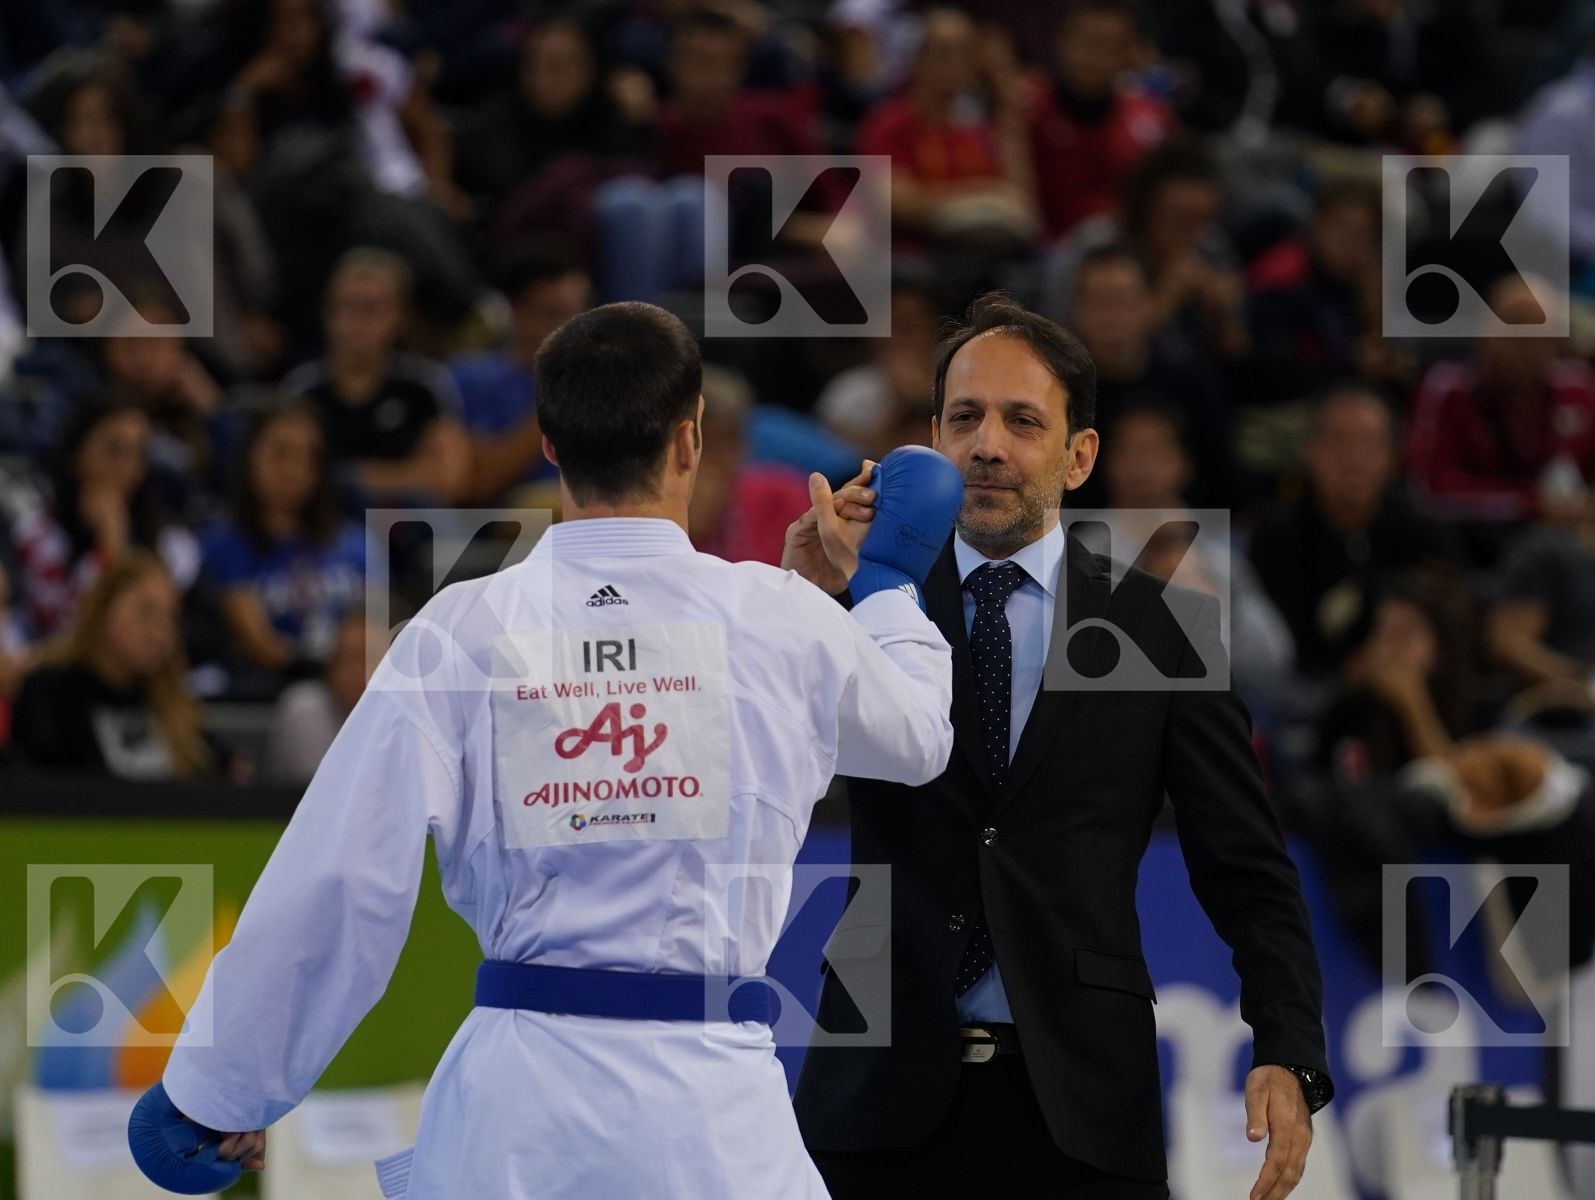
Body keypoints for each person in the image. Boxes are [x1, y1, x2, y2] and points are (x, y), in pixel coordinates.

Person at [134, 301, 960, 1199]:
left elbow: (341, 876)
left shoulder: (458, 630)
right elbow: (916, 741)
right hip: (713, 1124)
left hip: (515, 1120)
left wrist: (220, 1091)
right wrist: (881, 587)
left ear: (549, 444)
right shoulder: (780, 616)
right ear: (689, 441)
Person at [791, 293, 1332, 1200]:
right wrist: (797, 602)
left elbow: (1246, 867)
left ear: (1079, 455)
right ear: (928, 440)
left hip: (1080, 1108)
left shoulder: (1164, 632)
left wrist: (1287, 1048)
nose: (987, 446)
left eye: (1022, 421)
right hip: (871, 1094)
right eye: (963, 418)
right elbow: (751, 782)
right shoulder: (857, 607)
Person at [282, 247, 473, 505]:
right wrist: (408, 473)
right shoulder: (303, 390)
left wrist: (348, 477)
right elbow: (287, 480)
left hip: (408, 523)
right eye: (346, 306)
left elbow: (449, 479)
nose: (356, 321)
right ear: (328, 314)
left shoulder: (425, 384)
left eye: (370, 308)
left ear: (399, 317)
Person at [10, 551, 217, 780]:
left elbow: (219, 766)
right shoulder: (49, 691)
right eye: (145, 611)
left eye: (170, 618)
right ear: (102, 610)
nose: (159, 634)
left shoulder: (171, 702)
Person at [199, 402, 366, 682]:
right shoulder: (225, 545)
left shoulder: (355, 543)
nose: (293, 469)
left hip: (357, 688)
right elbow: (262, 646)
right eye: (280, 454)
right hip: (277, 690)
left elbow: (379, 629)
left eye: (307, 457)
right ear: (250, 457)